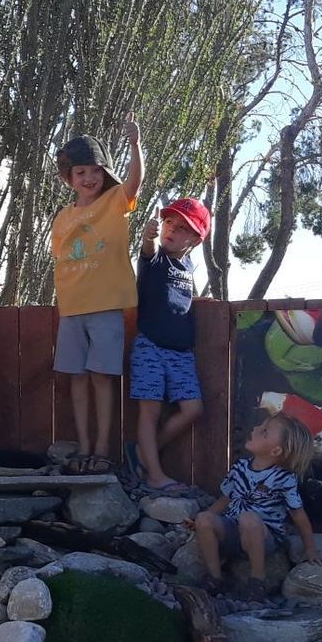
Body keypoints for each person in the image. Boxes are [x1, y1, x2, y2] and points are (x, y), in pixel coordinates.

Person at [51, 119, 143, 473]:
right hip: (72, 310)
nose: (88, 177)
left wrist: (135, 144)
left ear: (105, 171)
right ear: (69, 177)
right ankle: (84, 446)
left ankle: (103, 448)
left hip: (105, 308)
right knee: (77, 377)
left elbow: (135, 181)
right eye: (80, 171)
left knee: (102, 377)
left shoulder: (114, 201)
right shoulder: (62, 217)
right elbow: (62, 259)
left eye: (95, 170)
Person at [124, 195, 210, 492]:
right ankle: (155, 476)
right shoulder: (155, 258)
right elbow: (147, 251)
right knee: (149, 412)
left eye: (184, 227)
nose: (172, 229)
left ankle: (140, 454)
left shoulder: (187, 266)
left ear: (196, 240)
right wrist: (147, 238)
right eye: (169, 221)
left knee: (193, 409)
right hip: (150, 347)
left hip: (181, 354)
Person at [193, 412, 320, 599]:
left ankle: (257, 580)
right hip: (233, 531)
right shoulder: (240, 468)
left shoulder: (283, 478)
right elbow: (225, 499)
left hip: (263, 536)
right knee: (203, 519)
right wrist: (201, 520)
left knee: (249, 519)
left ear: (276, 451)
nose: (255, 429)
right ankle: (214, 576)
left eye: (265, 431)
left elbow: (298, 514)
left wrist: (310, 548)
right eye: (260, 426)